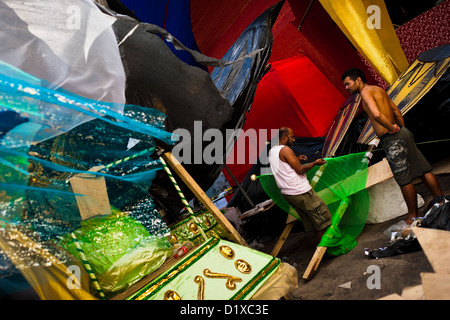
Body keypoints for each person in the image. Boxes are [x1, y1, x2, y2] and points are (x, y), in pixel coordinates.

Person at [341, 68, 443, 225]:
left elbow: (376, 114)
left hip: (392, 137)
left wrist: (390, 128)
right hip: (402, 133)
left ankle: (413, 217)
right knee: (423, 170)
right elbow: (395, 110)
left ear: (358, 80)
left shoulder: (366, 93)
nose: (346, 88)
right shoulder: (378, 89)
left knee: (404, 178)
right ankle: (441, 202)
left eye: (348, 84)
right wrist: (401, 129)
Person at [269, 127, 331, 242]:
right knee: (322, 218)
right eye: (292, 137)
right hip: (300, 191)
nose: (294, 140)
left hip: (289, 194)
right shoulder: (286, 150)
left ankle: (317, 246)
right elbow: (300, 170)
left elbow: (284, 165)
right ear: (284, 138)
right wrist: (315, 163)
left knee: (311, 220)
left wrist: (296, 159)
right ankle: (324, 249)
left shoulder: (272, 151)